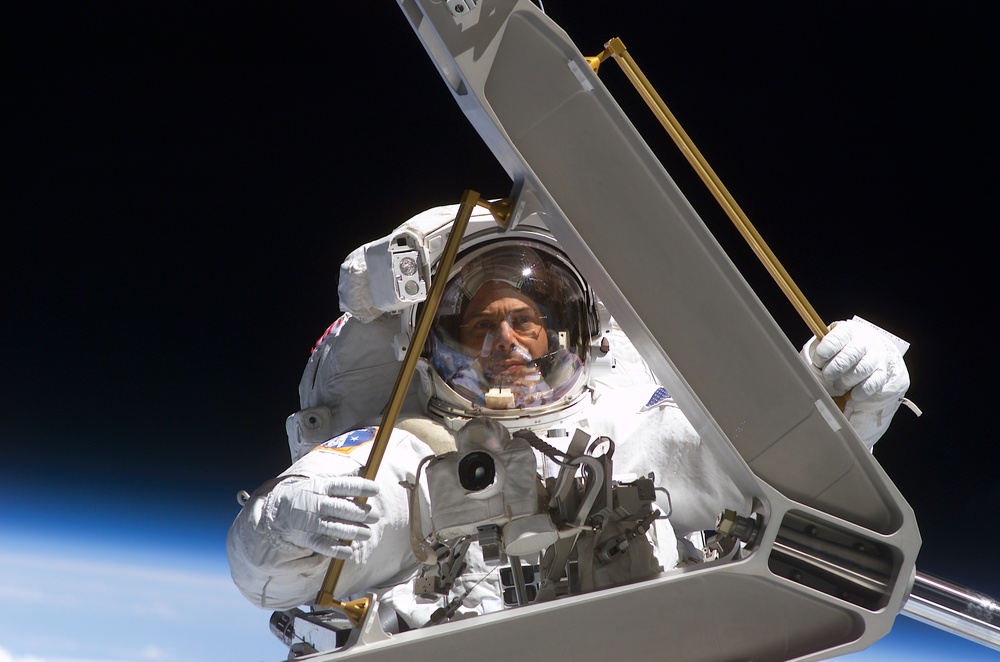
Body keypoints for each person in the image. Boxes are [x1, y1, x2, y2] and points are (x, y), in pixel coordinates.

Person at [227, 204, 912, 635]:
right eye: (481, 328)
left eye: (525, 321)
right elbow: (279, 571)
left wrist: (831, 394)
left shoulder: (627, 427)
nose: (507, 344)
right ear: (437, 349)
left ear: (570, 333)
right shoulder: (410, 452)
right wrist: (280, 524)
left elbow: (739, 458)